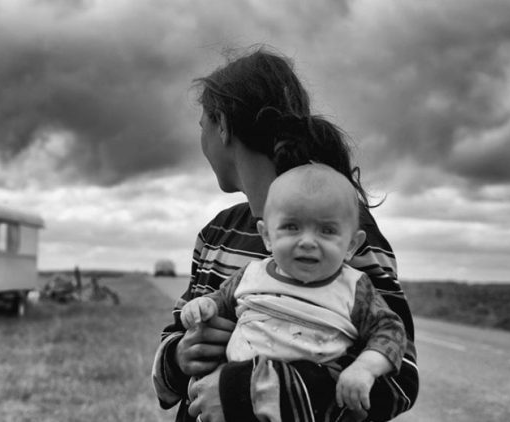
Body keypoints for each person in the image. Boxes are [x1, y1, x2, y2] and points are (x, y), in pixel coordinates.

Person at [152, 46, 418, 422]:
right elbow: (177, 333)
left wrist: (246, 393)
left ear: (223, 126)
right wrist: (181, 355)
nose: (307, 239)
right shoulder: (217, 233)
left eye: (202, 127)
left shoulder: (344, 231)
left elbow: (400, 379)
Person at [180, 163, 407, 420]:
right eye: (291, 227)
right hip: (229, 403)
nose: (308, 241)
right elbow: (220, 300)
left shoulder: (355, 288)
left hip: (300, 408)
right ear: (266, 236)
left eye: (327, 230)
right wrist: (203, 306)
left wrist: (364, 368)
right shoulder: (251, 274)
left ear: (351, 245)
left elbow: (392, 331)